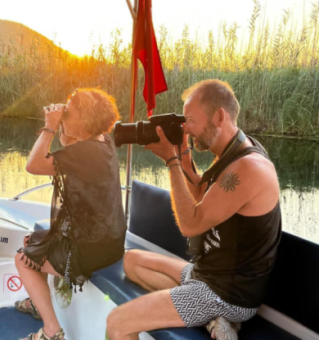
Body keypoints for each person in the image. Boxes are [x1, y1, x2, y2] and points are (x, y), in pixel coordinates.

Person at [106, 80, 282, 340]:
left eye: (190, 120)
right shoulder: (228, 152)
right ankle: (213, 320)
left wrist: (171, 161)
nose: (185, 128)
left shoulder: (248, 168)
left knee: (118, 322)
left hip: (226, 294)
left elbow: (191, 224)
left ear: (219, 116)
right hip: (206, 273)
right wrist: (184, 157)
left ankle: (220, 314)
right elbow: (200, 194)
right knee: (131, 261)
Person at [15, 88, 127, 340]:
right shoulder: (102, 141)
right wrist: (64, 121)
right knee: (30, 240)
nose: (64, 115)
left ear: (85, 120)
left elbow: (33, 165)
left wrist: (50, 127)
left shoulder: (86, 151)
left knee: (22, 259)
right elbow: (68, 144)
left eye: (69, 112)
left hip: (89, 250)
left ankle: (51, 331)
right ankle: (38, 302)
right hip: (109, 241)